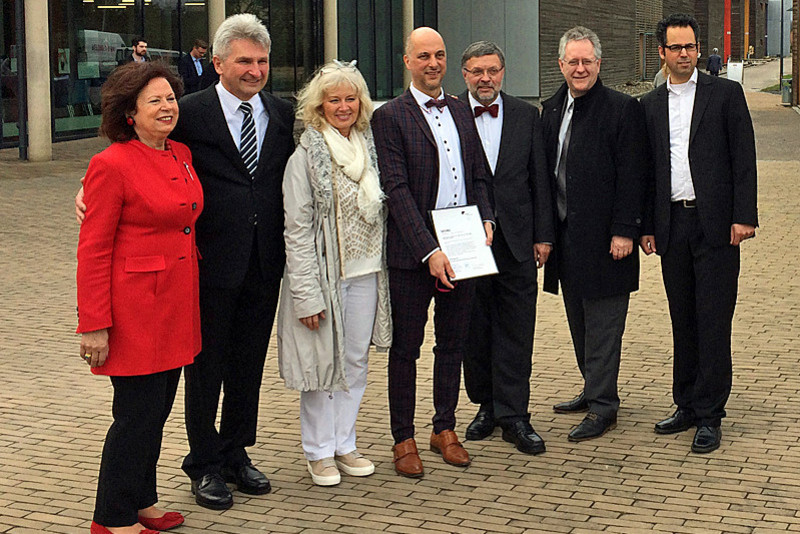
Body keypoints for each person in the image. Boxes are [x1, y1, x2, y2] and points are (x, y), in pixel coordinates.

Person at [80, 13, 295, 509]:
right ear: (218, 63)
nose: (255, 70)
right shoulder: (187, 112)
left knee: (247, 367)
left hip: (264, 264)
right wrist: (83, 191)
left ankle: (237, 451)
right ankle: (203, 463)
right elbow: (129, 157)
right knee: (206, 370)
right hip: (205, 268)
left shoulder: (281, 114)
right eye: (244, 61)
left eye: (262, 62)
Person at [77, 62, 201, 534]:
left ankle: (143, 501)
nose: (167, 107)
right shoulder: (110, 164)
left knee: (156, 415)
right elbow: (93, 249)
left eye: (170, 98)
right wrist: (93, 323)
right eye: (155, 100)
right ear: (130, 112)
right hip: (134, 313)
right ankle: (110, 518)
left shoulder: (182, 154)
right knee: (133, 419)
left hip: (175, 307)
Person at [372, 27, 494, 478]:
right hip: (413, 254)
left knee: (453, 343)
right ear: (408, 61)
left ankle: (444, 427)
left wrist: (488, 220)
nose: (433, 63)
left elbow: (479, 175)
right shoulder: (390, 117)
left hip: (464, 244)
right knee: (407, 348)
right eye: (423, 56)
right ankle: (402, 437)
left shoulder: (462, 110)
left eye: (440, 55)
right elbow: (396, 189)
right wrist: (428, 250)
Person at [640, 13, 758, 454]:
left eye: (690, 46)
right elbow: (647, 172)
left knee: (713, 320)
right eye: (676, 48)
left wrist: (744, 217)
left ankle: (710, 414)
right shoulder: (649, 105)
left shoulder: (726, 95)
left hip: (718, 227)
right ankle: (685, 403)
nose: (684, 54)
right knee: (682, 319)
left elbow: (743, 159)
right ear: (662, 53)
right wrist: (647, 226)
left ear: (697, 49)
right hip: (672, 226)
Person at [278, 59, 391, 486]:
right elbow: (297, 231)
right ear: (318, 106)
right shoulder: (304, 157)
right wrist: (307, 295)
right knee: (322, 364)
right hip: (325, 279)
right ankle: (318, 450)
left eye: (350, 98)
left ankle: (345, 442)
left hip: (367, 273)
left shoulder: (370, 148)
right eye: (334, 100)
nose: (343, 107)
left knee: (355, 361)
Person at [541, 26, 647, 442]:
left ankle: (604, 407)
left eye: (587, 61)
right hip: (567, 241)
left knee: (604, 326)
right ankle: (591, 388)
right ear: (561, 65)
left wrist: (625, 231)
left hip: (608, 242)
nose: (580, 68)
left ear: (599, 64)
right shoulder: (551, 109)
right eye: (573, 61)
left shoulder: (622, 109)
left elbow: (633, 176)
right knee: (578, 322)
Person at [457, 41, 555, 455]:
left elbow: (540, 179)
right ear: (464, 75)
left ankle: (515, 414)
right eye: (477, 71)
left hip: (517, 240)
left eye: (492, 70)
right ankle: (486, 405)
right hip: (466, 241)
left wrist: (544, 234)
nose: (485, 78)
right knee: (473, 330)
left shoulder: (524, 114)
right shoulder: (449, 113)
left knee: (516, 329)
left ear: (503, 72)